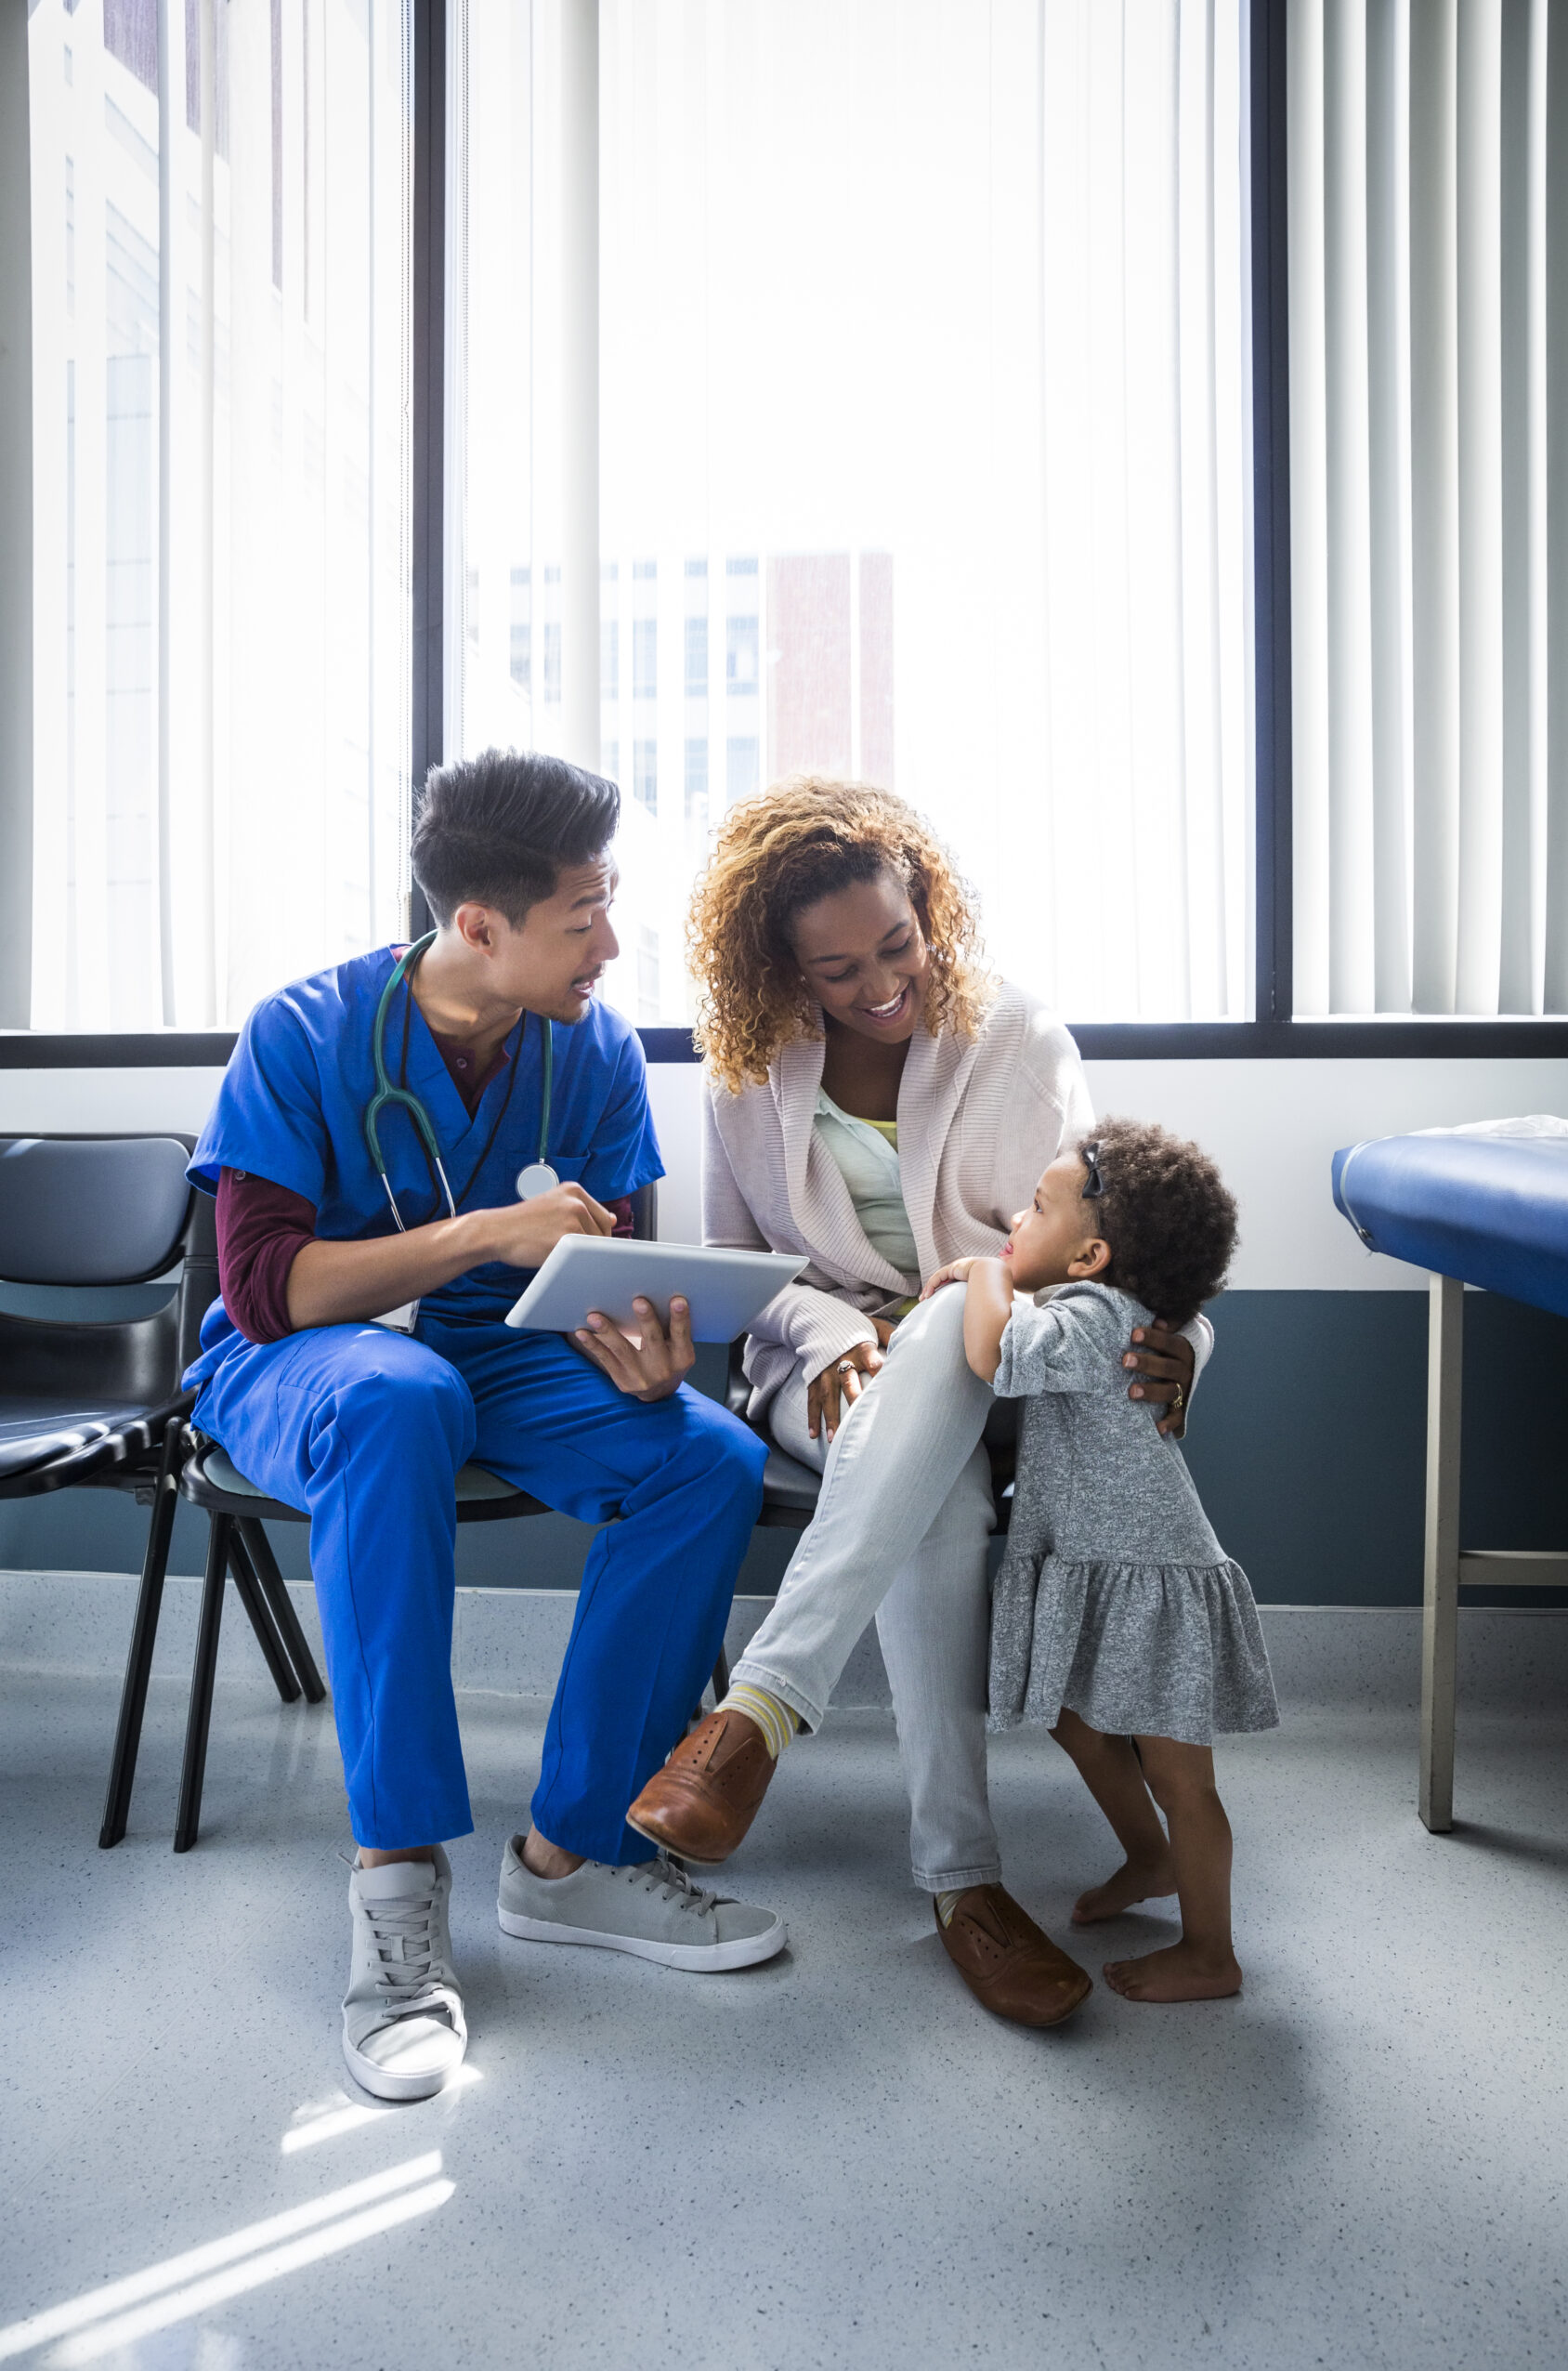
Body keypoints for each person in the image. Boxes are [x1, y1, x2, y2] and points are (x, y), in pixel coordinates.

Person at [184, 749, 783, 2106]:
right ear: (477, 926)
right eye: (584, 916)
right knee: (402, 1399)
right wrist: (484, 1233)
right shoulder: (303, 1030)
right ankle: (396, 1887)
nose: (610, 946)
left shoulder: (596, 1050)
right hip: (307, 1365)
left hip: (499, 1352)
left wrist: (639, 1349)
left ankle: (578, 1858)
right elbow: (269, 1289)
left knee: (706, 1455)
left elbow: (604, 1262)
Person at [627, 779, 1211, 2027]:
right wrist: (838, 1331)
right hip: (828, 1369)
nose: (877, 983)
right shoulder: (743, 1071)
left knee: (956, 1311)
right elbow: (744, 1283)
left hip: (1005, 1363)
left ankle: (751, 1718)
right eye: (835, 971)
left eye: (895, 944)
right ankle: (964, 1885)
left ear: (925, 906)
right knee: (930, 1495)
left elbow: (1114, 1242)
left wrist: (1182, 1343)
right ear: (780, 968)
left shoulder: (1017, 1040)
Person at [928, 1116, 1276, 2002]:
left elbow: (994, 1356)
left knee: (1180, 1776)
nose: (1016, 1215)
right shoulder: (1104, 1309)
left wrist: (983, 1271)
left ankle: (1210, 1952)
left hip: (1145, 1581)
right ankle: (1148, 1858)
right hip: (1103, 1563)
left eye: (1037, 1208)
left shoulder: (1087, 1318)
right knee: (1075, 1719)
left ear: (1088, 1256)